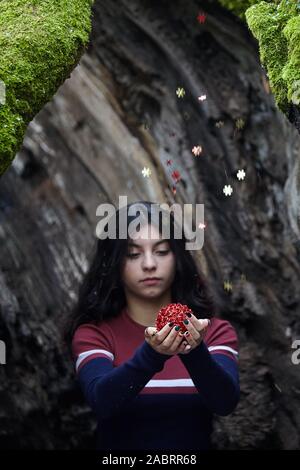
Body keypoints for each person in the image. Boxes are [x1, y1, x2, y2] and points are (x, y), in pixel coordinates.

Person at [64, 201, 240, 450]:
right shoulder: (94, 334)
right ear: (113, 262)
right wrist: (152, 355)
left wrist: (194, 351)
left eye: (161, 251)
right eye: (133, 254)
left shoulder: (213, 331)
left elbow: (225, 402)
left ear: (178, 257)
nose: (149, 264)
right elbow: (102, 401)